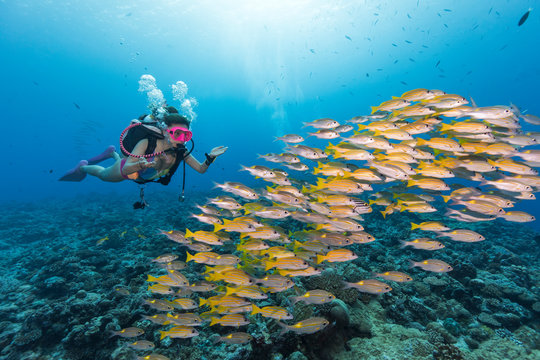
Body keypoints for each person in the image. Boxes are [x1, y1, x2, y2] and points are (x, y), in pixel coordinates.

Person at [60, 107, 227, 185]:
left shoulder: (180, 151)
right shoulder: (148, 143)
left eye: (186, 135)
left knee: (117, 162)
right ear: (165, 130)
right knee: (103, 174)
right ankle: (82, 167)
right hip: (128, 171)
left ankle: (112, 153)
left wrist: (210, 158)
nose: (182, 139)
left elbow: (200, 169)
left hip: (143, 174)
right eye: (177, 133)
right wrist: (141, 163)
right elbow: (127, 169)